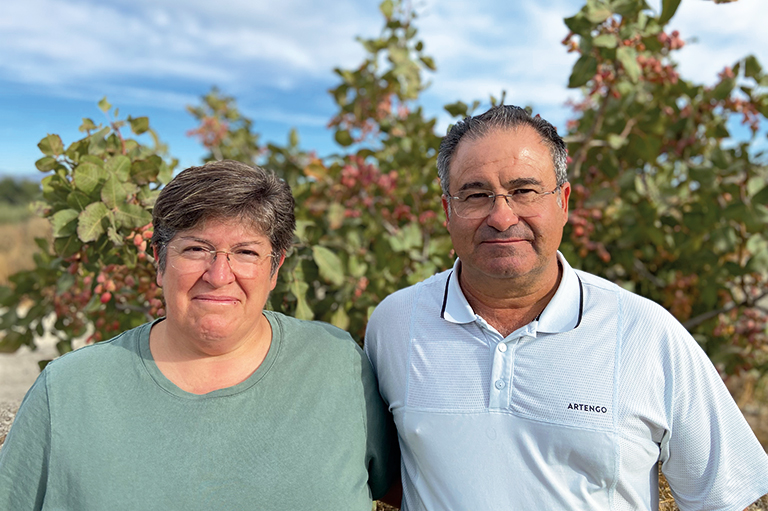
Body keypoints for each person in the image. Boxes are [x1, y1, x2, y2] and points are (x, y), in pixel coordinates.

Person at [364, 105, 768, 510]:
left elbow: (724, 497)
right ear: (448, 211)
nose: (501, 217)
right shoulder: (395, 324)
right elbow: (386, 478)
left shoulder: (645, 333)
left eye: (524, 191)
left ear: (563, 201)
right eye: (475, 195)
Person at [0, 160, 398, 510]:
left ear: (275, 269)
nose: (219, 275)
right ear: (159, 262)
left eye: (246, 252)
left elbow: (406, 488)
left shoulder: (338, 364)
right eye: (195, 249)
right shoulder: (67, 390)